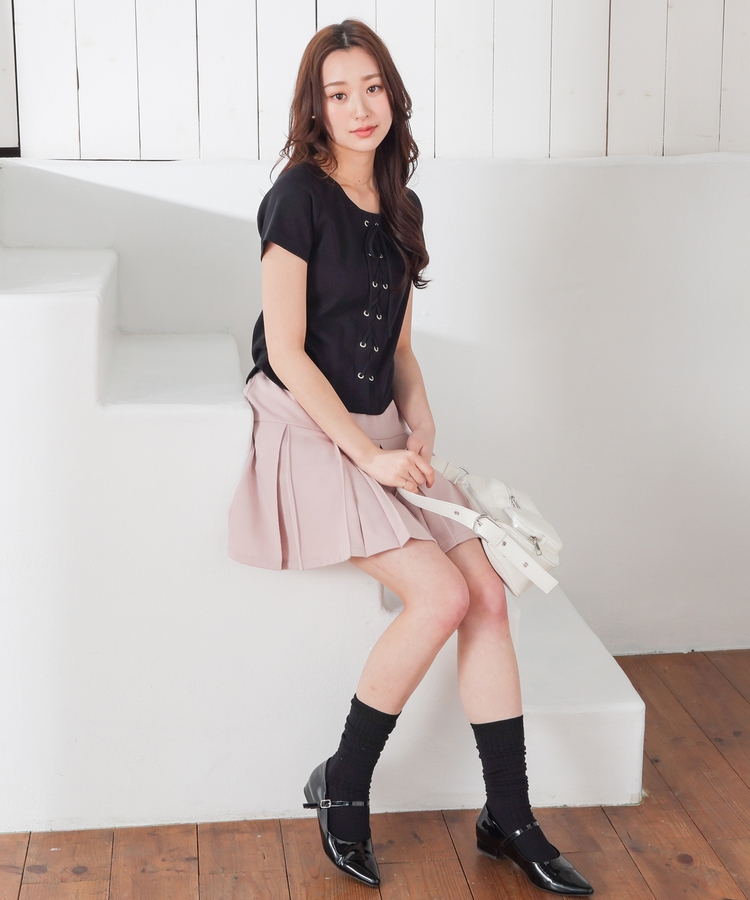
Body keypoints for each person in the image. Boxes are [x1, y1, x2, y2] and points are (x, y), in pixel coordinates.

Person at [228, 19, 593, 896]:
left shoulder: (401, 205)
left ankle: (510, 816)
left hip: (379, 427)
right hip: (308, 428)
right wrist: (369, 455)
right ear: (315, 108)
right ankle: (344, 784)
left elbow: (398, 349)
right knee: (441, 594)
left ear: (393, 95)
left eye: (372, 88)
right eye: (338, 93)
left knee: (488, 594)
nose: (359, 107)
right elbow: (288, 352)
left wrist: (419, 423)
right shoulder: (296, 198)